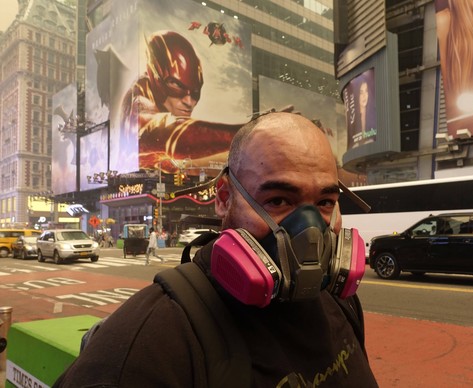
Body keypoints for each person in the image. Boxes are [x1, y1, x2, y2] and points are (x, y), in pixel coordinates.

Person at [53, 112, 378, 387]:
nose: (310, 231)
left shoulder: (342, 304)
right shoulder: (151, 341)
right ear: (223, 198)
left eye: (324, 202)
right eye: (278, 201)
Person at [120, 30, 242, 173]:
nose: (188, 102)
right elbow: (165, 133)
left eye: (195, 93)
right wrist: (245, 134)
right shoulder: (140, 97)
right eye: (176, 85)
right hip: (139, 182)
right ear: (156, 77)